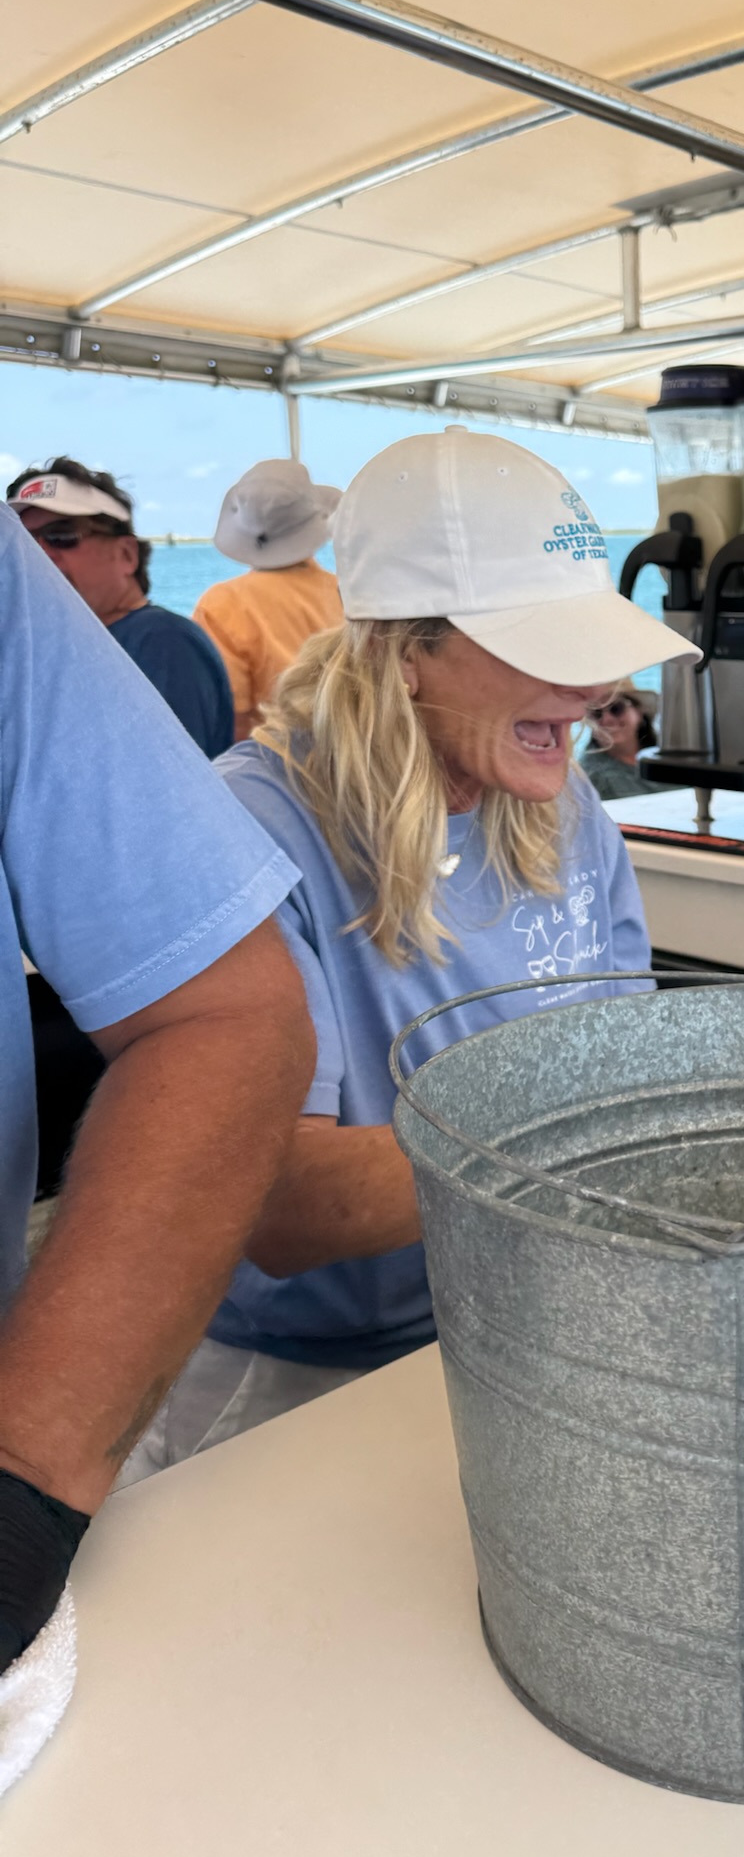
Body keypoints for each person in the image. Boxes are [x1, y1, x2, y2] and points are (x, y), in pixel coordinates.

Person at [117, 428, 699, 1478]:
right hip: (301, 1379)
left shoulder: (566, 809)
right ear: (405, 645)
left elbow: (632, 1057)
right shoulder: (252, 828)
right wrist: (617, 1143)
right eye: (546, 645)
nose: (595, 686)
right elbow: (278, 1200)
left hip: (528, 1328)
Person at [0, 506, 312, 1675]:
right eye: (36, 525)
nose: (46, 544)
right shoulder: (264, 769)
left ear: (127, 547)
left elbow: (222, 1016)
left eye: (66, 527)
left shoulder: (182, 632)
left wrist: (22, 1500)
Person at [6, 458, 234, 758]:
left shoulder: (163, 643)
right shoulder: (64, 649)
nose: (39, 556)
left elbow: (160, 786)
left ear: (127, 554)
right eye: (25, 545)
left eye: (61, 536)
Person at [194, 458, 344, 742]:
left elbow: (234, 717)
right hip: (353, 752)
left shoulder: (221, 605)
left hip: (275, 761)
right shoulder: (346, 591)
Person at [580, 680, 665, 800]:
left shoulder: (673, 753)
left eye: (616, 709)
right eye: (596, 713)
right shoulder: (590, 777)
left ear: (639, 711)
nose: (606, 719)